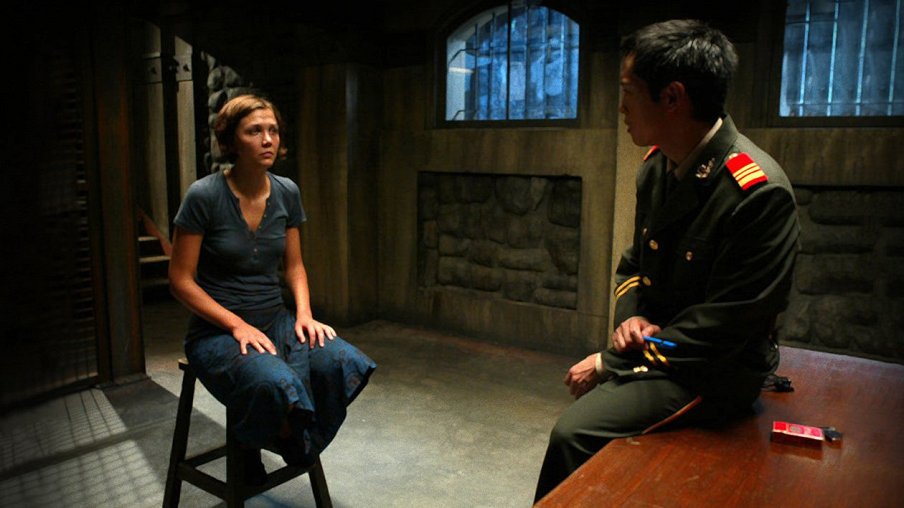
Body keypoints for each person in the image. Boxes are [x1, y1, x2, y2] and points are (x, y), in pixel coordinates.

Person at [534, 19, 799, 501]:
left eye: (628, 92)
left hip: (714, 371)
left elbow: (725, 328)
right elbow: (634, 265)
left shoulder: (756, 193)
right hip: (663, 352)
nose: (621, 107)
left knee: (574, 433)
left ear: (673, 97)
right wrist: (630, 319)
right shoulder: (658, 167)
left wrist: (611, 361)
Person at [169, 93, 376, 485]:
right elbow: (180, 280)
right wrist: (236, 325)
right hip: (216, 332)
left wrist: (304, 315)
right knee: (272, 381)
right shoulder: (204, 195)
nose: (267, 139)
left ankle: (287, 436)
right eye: (254, 131)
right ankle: (288, 438)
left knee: (340, 360)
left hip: (275, 319)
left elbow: (294, 265)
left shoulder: (286, 191)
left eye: (273, 130)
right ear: (230, 141)